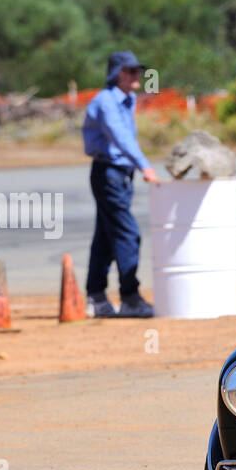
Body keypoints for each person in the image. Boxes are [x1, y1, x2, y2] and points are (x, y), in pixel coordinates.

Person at [82, 50, 159, 318]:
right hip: (108, 173)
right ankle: (130, 297)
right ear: (117, 74)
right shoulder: (106, 102)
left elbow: (128, 137)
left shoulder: (129, 99)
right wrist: (145, 165)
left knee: (106, 236)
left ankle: (96, 296)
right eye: (130, 71)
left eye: (138, 70)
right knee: (128, 234)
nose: (137, 75)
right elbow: (120, 138)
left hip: (120, 175)